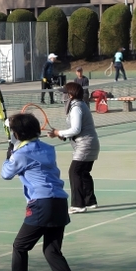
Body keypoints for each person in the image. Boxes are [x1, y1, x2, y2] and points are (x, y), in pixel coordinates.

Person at [0, 112, 86, 271]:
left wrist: (9, 153)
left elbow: (6, 174)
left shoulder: (21, 155)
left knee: (20, 246)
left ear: (17, 133)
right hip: (59, 202)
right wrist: (14, 149)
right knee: (51, 250)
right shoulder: (48, 149)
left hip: (41, 204)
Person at [48, 82, 100, 214]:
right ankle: (90, 201)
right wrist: (61, 135)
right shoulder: (80, 105)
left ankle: (78, 205)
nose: (63, 96)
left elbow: (76, 129)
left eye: (64, 93)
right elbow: (76, 131)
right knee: (83, 173)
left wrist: (59, 132)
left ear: (70, 95)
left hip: (85, 145)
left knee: (74, 172)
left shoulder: (76, 107)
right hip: (90, 144)